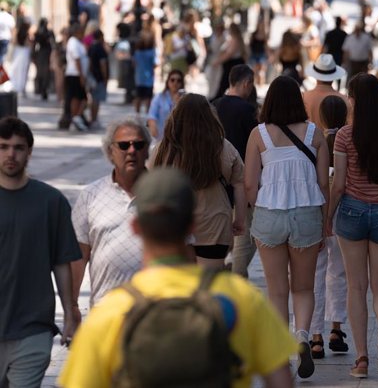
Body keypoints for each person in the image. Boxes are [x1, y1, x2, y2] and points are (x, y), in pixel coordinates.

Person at [58, 168, 296, 388]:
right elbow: (281, 380)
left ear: (136, 227)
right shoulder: (240, 297)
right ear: (192, 225)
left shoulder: (111, 311)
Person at [244, 76, 330, 379]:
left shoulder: (258, 136)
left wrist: (258, 209)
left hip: (270, 214)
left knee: (277, 291)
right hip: (307, 213)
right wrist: (325, 220)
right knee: (304, 287)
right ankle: (303, 336)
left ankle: (281, 352)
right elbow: (323, 182)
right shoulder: (314, 134)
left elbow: (249, 183)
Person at [327, 73, 378, 379]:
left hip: (351, 211)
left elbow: (338, 185)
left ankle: (361, 358)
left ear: (355, 100)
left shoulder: (345, 136)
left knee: (356, 286)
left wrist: (328, 217)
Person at [0, 117, 81, 388]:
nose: (11, 154)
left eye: (18, 147)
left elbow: (61, 262)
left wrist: (70, 315)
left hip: (33, 328)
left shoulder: (51, 201)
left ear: (29, 152)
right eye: (3, 146)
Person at [152, 94, 246, 269]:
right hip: (215, 227)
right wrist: (239, 219)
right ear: (209, 116)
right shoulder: (224, 147)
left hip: (175, 227)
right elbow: (239, 183)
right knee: (208, 288)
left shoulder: (163, 150)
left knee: (181, 289)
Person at [70, 117, 152, 309]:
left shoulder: (165, 194)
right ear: (110, 152)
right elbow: (78, 256)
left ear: (147, 150)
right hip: (105, 314)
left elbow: (187, 254)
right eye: (124, 146)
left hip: (153, 317)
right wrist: (71, 307)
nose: (132, 151)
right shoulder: (90, 195)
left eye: (139, 145)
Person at [309, 95, 350, 360]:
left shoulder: (315, 142)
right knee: (340, 273)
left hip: (317, 213)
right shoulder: (349, 140)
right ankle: (336, 328)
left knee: (314, 275)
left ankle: (315, 337)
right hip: (345, 215)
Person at [213, 64, 258, 278]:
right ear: (246, 83)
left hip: (216, 179)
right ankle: (237, 275)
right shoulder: (247, 110)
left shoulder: (213, 105)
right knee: (245, 234)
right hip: (242, 177)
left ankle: (223, 271)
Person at [303, 54, 349, 130]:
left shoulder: (303, 97)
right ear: (333, 76)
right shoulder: (344, 100)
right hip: (335, 141)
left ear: (315, 75)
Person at [147, 70, 185, 141]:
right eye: (172, 80)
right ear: (168, 82)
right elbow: (152, 115)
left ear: (182, 83)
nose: (175, 83)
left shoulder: (185, 99)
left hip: (179, 137)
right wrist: (152, 126)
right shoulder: (159, 97)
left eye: (178, 80)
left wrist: (178, 104)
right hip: (161, 137)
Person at [64, 23, 89, 131]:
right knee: (79, 97)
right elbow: (77, 59)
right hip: (75, 74)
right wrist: (81, 74)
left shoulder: (78, 42)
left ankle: (76, 117)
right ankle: (75, 117)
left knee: (80, 97)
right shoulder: (73, 42)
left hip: (77, 74)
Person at [214, 23, 248, 99]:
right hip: (231, 64)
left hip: (232, 65)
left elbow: (229, 54)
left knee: (227, 83)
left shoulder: (235, 40)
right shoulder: (233, 39)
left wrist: (218, 61)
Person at [86, 29, 109, 130]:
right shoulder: (100, 48)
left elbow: (89, 62)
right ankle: (94, 119)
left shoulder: (91, 47)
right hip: (98, 77)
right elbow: (103, 64)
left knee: (93, 99)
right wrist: (105, 77)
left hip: (93, 76)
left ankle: (93, 118)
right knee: (96, 100)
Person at [132, 31, 157, 114]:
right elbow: (155, 64)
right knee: (148, 97)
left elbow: (134, 63)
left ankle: (137, 113)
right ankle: (147, 113)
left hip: (139, 77)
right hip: (149, 78)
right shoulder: (152, 52)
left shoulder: (137, 52)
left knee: (138, 96)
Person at [32, 18, 54, 101]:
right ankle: (41, 89)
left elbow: (52, 42)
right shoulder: (39, 33)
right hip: (42, 54)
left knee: (45, 73)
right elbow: (35, 44)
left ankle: (44, 89)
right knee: (42, 72)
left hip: (46, 53)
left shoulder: (48, 32)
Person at [10, 19, 32, 98]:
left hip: (18, 51)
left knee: (17, 70)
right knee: (23, 71)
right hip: (24, 52)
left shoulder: (17, 32)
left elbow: (14, 42)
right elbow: (28, 43)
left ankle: (17, 86)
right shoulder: (27, 33)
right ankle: (22, 87)